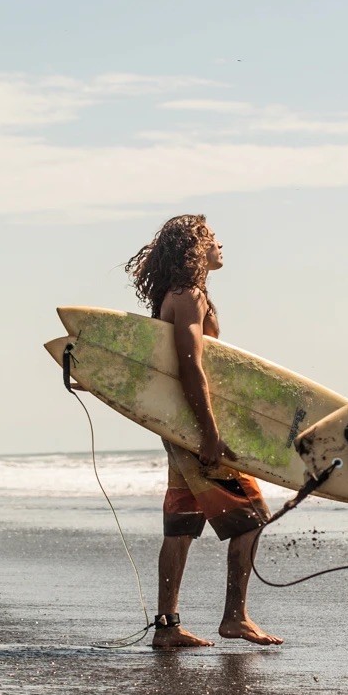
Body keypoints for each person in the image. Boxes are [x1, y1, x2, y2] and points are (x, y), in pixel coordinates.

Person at [124, 215, 281, 649]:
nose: (220, 244)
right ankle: (235, 617)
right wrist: (210, 434)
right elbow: (190, 366)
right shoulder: (189, 296)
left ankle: (167, 627)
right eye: (211, 238)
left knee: (181, 525)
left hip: (178, 429)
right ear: (195, 247)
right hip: (195, 430)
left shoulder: (171, 296)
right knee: (251, 518)